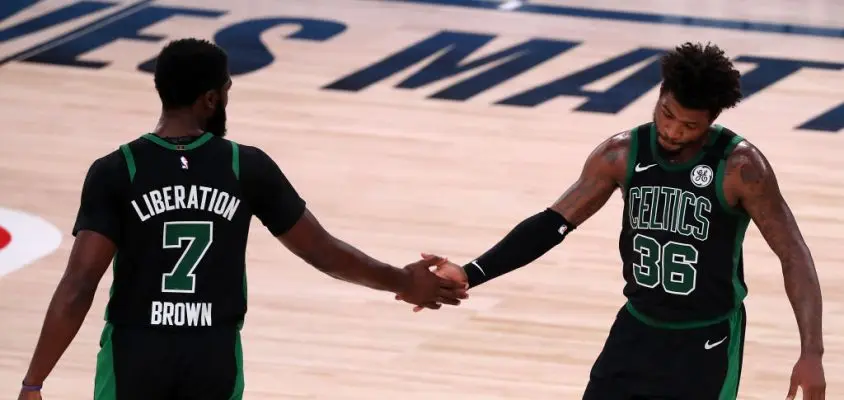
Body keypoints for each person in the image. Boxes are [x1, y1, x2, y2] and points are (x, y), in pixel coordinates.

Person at [17, 38, 467, 400]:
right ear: (211, 98)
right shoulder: (243, 165)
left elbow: (79, 285)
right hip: (213, 351)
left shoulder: (118, 169)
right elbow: (322, 252)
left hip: (135, 350)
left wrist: (33, 382)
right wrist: (402, 281)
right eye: (227, 91)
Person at [401, 42, 826, 399]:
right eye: (667, 114)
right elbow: (552, 224)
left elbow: (793, 254)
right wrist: (471, 273)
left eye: (690, 125)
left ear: (712, 120)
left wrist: (812, 353)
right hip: (636, 330)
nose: (674, 130)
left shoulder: (740, 167)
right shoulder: (621, 154)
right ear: (659, 96)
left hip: (707, 340)